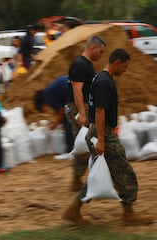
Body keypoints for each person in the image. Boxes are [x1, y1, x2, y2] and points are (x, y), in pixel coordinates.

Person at [63, 48, 153, 226]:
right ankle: (128, 214)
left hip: (98, 131)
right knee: (125, 172)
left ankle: (74, 209)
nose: (125, 70)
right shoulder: (105, 82)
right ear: (117, 62)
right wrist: (103, 140)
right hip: (102, 133)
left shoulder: (100, 78)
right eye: (125, 66)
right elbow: (100, 111)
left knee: (105, 172)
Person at [66, 35, 106, 191]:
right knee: (84, 144)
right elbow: (77, 89)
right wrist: (82, 113)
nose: (101, 55)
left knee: (87, 143)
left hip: (84, 107)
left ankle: (81, 178)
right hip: (78, 108)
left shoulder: (85, 64)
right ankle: (77, 179)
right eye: (101, 52)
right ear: (93, 47)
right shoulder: (80, 64)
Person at [34, 75, 74, 158]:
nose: (46, 108)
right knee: (67, 119)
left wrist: (55, 124)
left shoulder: (48, 97)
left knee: (67, 121)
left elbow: (61, 111)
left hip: (72, 90)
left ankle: (70, 150)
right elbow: (59, 110)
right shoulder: (48, 91)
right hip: (72, 85)